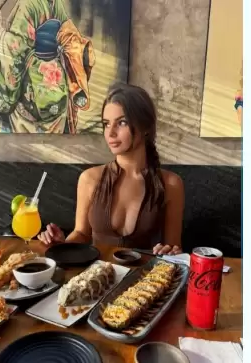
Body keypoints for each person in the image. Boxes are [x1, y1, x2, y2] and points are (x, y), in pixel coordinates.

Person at [38, 82, 185, 255]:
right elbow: (81, 234)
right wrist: (62, 245)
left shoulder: (171, 184)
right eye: (106, 124)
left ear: (145, 126)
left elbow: (174, 248)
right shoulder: (90, 179)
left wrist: (170, 252)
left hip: (145, 272)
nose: (111, 133)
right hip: (97, 270)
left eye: (121, 122)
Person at [0, 0, 95, 134]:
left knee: (16, 107)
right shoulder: (55, 3)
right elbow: (72, 39)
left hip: (34, 81)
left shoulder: (28, 4)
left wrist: (1, 31)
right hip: (56, 79)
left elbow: (17, 48)